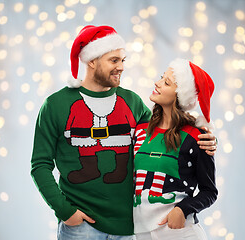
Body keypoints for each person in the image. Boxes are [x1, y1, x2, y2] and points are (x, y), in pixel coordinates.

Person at [31, 25, 217, 240]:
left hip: (130, 229)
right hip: (80, 227)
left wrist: (206, 139)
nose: (121, 67)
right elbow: (40, 164)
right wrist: (65, 211)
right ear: (92, 61)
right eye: (114, 60)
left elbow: (164, 135)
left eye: (123, 60)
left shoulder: (132, 102)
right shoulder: (56, 105)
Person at [132, 58, 218, 240]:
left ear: (180, 95)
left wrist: (183, 209)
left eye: (166, 82)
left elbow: (209, 192)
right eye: (161, 78)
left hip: (180, 232)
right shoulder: (140, 130)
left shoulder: (197, 137)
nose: (157, 83)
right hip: (140, 233)